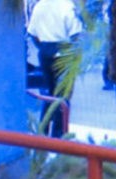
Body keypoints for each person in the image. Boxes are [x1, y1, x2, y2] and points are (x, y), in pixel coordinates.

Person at [27, 0, 82, 138]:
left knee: (48, 93)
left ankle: (43, 130)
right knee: (63, 95)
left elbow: (32, 33)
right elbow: (76, 34)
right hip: (64, 51)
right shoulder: (67, 6)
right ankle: (59, 134)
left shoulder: (40, 6)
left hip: (45, 51)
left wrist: (43, 48)